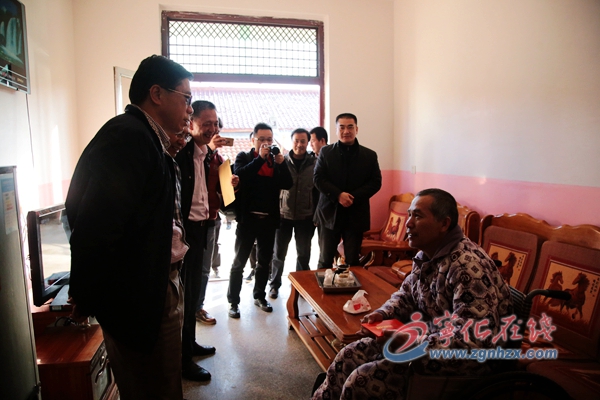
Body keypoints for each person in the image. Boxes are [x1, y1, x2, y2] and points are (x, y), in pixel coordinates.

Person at [65, 55, 193, 399]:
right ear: (157, 94)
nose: (189, 109)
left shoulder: (148, 139)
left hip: (154, 283)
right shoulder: (129, 137)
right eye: (186, 97)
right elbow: (94, 223)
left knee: (162, 381)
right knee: (153, 386)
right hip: (139, 294)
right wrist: (86, 293)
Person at [312, 189, 514, 400]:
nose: (408, 223)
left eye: (417, 216)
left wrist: (410, 343)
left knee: (363, 380)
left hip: (464, 364)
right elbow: (407, 294)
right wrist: (383, 314)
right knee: (349, 356)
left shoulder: (467, 267)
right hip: (426, 342)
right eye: (409, 215)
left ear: (444, 224)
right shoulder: (427, 254)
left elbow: (474, 341)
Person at [175, 100, 224, 381]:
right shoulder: (180, 154)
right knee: (184, 297)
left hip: (204, 228)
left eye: (215, 123)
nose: (212, 129)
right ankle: (183, 361)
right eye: (206, 124)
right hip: (186, 232)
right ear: (191, 123)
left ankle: (190, 344)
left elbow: (206, 193)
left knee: (193, 294)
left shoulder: (207, 155)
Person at [226, 123, 293, 318]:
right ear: (252, 140)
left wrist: (282, 164)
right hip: (247, 220)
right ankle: (233, 302)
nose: (266, 143)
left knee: (264, 262)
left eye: (269, 139)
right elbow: (241, 175)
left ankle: (260, 296)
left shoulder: (275, 162)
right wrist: (260, 159)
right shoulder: (244, 157)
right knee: (239, 262)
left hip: (269, 220)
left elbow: (288, 183)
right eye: (261, 139)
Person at [314, 113, 382, 268]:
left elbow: (375, 183)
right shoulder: (326, 152)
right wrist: (338, 195)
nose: (346, 131)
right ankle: (323, 285)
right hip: (329, 213)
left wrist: (352, 197)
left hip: (356, 214)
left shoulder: (369, 155)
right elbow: (318, 178)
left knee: (352, 261)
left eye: (350, 127)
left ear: (356, 129)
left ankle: (351, 285)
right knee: (325, 260)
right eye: (342, 127)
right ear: (336, 130)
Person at [269, 128, 317, 299]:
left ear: (308, 142)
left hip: (306, 216)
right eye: (296, 140)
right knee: (279, 254)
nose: (299, 144)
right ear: (291, 142)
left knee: (303, 254)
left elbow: (318, 191)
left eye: (303, 141)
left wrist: (316, 215)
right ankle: (274, 285)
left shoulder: (315, 163)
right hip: (284, 215)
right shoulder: (282, 161)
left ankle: (301, 286)